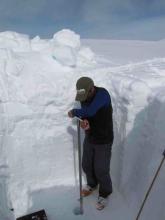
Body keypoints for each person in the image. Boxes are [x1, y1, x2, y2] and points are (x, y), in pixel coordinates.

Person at [68, 76, 114, 210]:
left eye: (84, 95)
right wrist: (85, 123)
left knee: (101, 169)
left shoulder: (102, 95)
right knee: (86, 164)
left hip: (104, 139)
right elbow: (88, 115)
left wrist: (75, 112)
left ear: (91, 89)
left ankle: (105, 192)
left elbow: (91, 111)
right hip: (91, 136)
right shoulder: (85, 97)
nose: (83, 99)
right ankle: (92, 184)